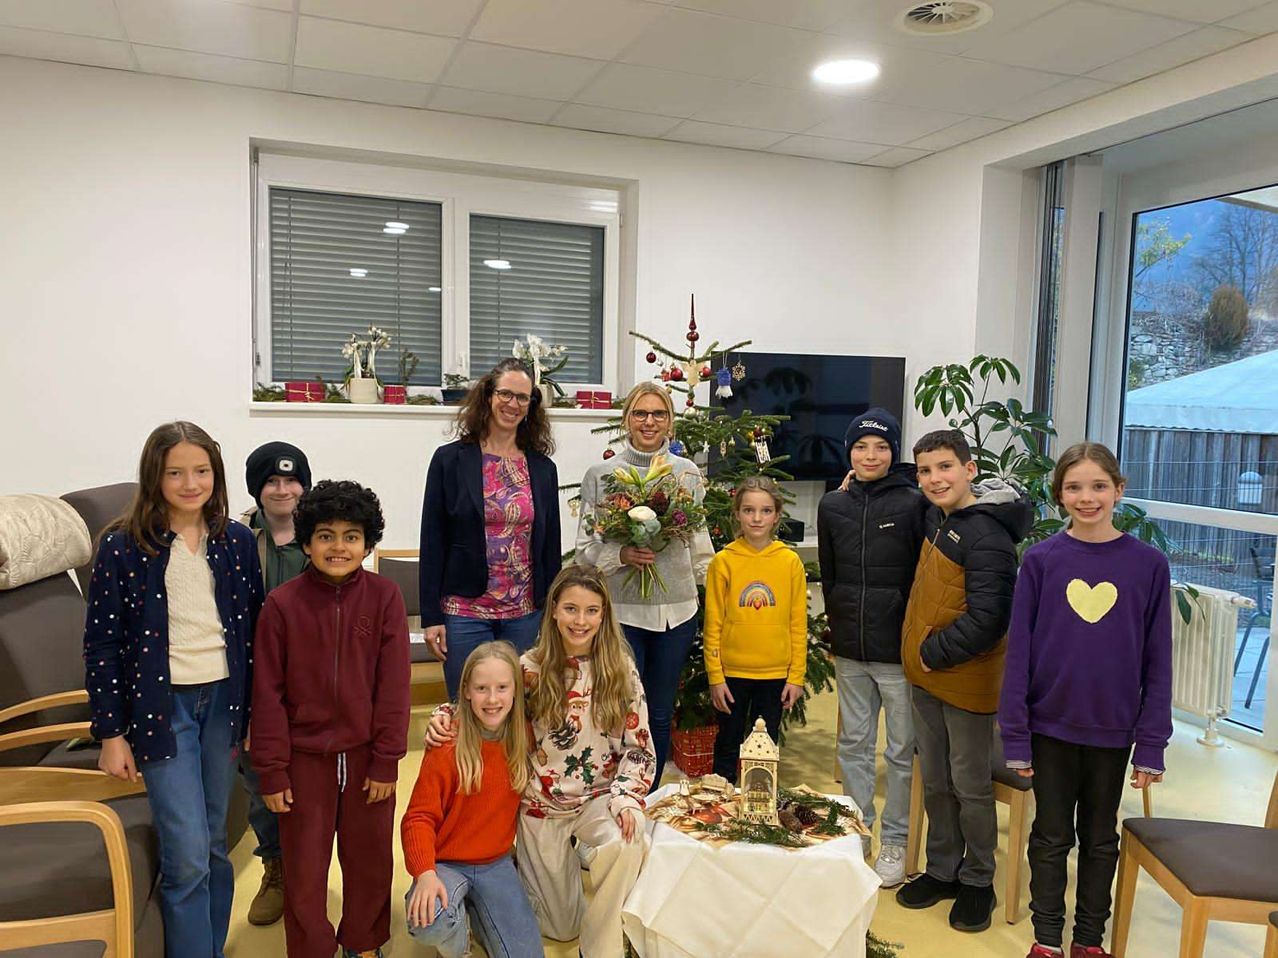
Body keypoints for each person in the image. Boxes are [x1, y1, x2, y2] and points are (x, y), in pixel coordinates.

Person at [85, 421, 263, 958]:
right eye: (176, 472)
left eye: (202, 470)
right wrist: (111, 733)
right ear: (154, 476)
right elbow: (102, 645)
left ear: (217, 474)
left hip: (224, 705)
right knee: (185, 855)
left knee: (212, 845)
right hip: (162, 713)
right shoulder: (122, 546)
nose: (191, 483)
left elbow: (253, 630)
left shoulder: (234, 540)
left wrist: (254, 712)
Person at [426, 565, 655, 958]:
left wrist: (627, 796)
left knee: (631, 841)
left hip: (599, 797)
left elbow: (639, 746)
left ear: (604, 615)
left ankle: (601, 947)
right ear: (552, 610)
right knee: (559, 928)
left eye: (591, 611)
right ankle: (508, 884)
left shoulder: (620, 669)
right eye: (570, 609)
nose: (580, 621)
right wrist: (445, 716)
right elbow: (488, 702)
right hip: (541, 805)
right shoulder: (528, 668)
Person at [999, 442, 1172, 958]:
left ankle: (1089, 941)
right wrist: (1015, 735)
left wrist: (1152, 745)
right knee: (1050, 836)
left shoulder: (1148, 565)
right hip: (1049, 729)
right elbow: (1019, 654)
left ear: (1119, 490)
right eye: (1074, 486)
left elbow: (1158, 662)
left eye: (1099, 485)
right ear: (1059, 496)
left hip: (1114, 733)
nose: (1087, 496)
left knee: (1100, 839)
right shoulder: (1041, 560)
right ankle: (1047, 939)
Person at [252, 480, 411, 958]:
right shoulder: (282, 605)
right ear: (305, 541)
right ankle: (311, 947)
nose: (338, 546)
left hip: (367, 759)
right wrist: (273, 769)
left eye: (350, 536)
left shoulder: (385, 598)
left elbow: (394, 689)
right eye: (325, 535)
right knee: (303, 868)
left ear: (367, 542)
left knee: (369, 861)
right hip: (302, 762)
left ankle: (363, 941)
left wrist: (386, 761)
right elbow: (267, 695)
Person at [895, 429, 1032, 934]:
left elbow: (991, 616)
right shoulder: (938, 518)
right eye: (926, 470)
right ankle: (942, 869)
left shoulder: (988, 535)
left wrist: (933, 651)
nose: (935, 479)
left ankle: (978, 880)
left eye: (945, 467)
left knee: (969, 784)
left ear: (970, 469)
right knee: (935, 778)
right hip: (927, 679)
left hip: (963, 678)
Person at [576, 381, 713, 785]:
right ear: (626, 420)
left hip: (676, 611)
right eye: (640, 413)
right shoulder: (602, 475)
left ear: (670, 422)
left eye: (658, 414)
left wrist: (716, 590)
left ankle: (647, 795)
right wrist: (622, 555)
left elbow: (699, 544)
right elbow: (585, 548)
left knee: (658, 710)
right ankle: (614, 794)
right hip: (622, 612)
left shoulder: (686, 474)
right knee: (620, 708)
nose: (649, 422)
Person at [817, 408, 927, 886]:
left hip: (897, 653)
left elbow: (924, 577)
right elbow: (830, 573)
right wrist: (838, 628)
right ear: (849, 451)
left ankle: (897, 841)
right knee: (854, 745)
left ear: (894, 453)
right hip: (850, 648)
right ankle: (858, 829)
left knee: (901, 751)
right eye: (861, 446)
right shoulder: (831, 506)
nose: (870, 455)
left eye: (881, 447)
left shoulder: (913, 503)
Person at [420, 358, 562, 700]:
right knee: (467, 707)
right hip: (465, 611)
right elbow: (433, 540)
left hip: (525, 613)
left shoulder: (542, 469)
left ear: (531, 406)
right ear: (488, 396)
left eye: (523, 398)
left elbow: (550, 547)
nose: (513, 404)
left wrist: (552, 611)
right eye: (505, 394)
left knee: (519, 709)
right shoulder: (449, 460)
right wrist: (431, 617)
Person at [401, 641, 544, 958]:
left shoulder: (525, 737)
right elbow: (418, 818)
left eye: (502, 688)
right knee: (429, 921)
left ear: (515, 691)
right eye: (481, 688)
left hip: (497, 863)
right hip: (446, 863)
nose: (492, 699)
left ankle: (477, 911)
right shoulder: (448, 741)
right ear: (465, 690)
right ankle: (459, 945)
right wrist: (424, 873)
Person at [238, 439, 313, 926]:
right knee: (258, 775)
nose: (283, 490)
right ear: (258, 490)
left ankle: (308, 867)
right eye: (272, 481)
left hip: (310, 680)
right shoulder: (236, 538)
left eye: (291, 480)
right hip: (251, 678)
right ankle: (275, 865)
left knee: (309, 777)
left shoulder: (323, 534)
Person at [703, 476, 806, 781]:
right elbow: (713, 624)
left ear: (777, 514)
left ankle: (757, 814)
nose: (757, 518)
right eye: (749, 510)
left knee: (764, 750)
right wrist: (715, 677)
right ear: (737, 513)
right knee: (726, 747)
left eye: (765, 510)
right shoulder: (723, 562)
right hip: (732, 675)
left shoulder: (790, 562)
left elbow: (798, 624)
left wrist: (796, 675)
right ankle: (720, 811)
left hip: (774, 676)